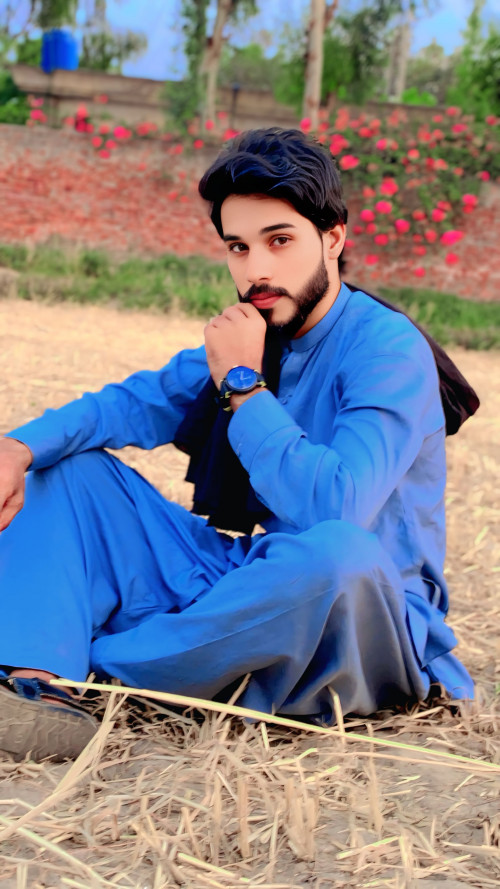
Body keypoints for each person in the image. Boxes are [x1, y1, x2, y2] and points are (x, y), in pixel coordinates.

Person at [0, 128, 474, 763]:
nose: (257, 271)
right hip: (257, 575)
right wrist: (17, 447)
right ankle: (39, 682)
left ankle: (107, 666)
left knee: (339, 553)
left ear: (333, 238)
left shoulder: (386, 349)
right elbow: (128, 405)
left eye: (280, 241)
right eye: (238, 247)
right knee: (62, 467)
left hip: (365, 613)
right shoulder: (259, 331)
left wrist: (243, 386)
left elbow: (336, 507)